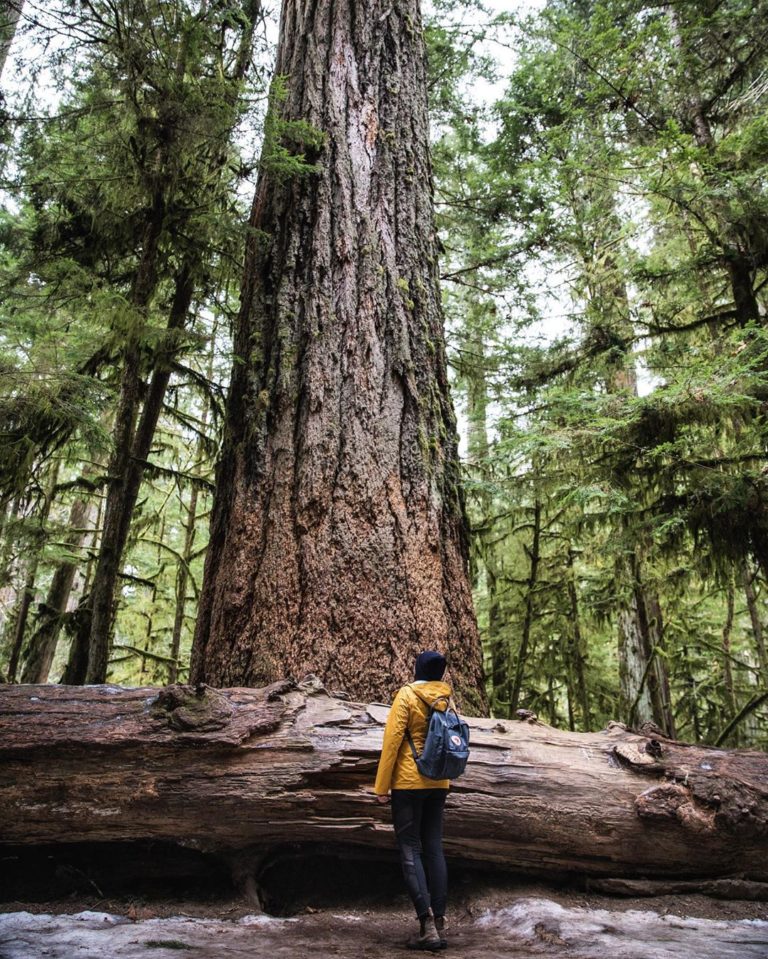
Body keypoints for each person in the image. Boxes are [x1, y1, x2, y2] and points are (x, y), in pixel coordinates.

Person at [374, 650, 452, 951]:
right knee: (434, 845)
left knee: (410, 847)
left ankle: (427, 924)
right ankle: (441, 919)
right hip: (439, 780)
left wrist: (382, 786)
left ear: (418, 668)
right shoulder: (446, 696)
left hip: (409, 781)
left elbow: (392, 741)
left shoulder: (407, 695)